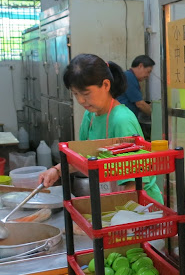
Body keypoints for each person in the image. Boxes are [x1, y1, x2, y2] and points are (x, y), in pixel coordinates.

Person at [37, 53, 162, 203]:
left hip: (141, 206)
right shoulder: (90, 116)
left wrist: (110, 215)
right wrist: (56, 170)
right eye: (75, 94)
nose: (81, 100)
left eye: (86, 93)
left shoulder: (122, 120)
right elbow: (81, 157)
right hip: (114, 200)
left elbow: (134, 182)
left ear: (106, 85)